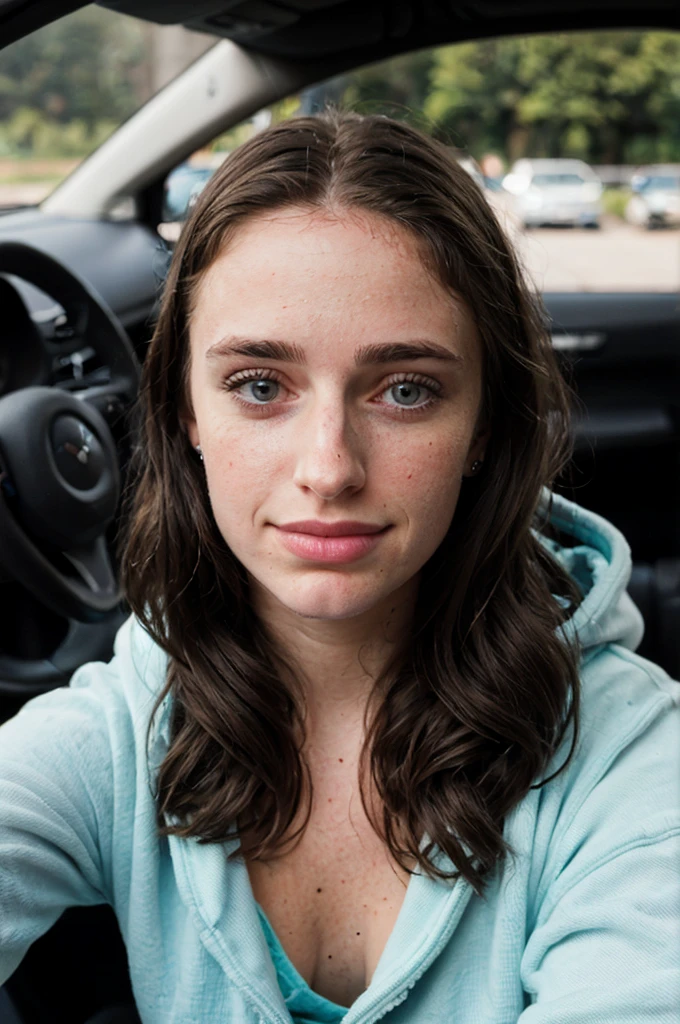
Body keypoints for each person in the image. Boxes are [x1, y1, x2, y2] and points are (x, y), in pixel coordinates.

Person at [0, 110, 678, 1024]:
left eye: (405, 390)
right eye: (259, 385)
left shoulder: (631, 758)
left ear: (484, 425)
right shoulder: (127, 724)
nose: (329, 467)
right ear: (185, 413)